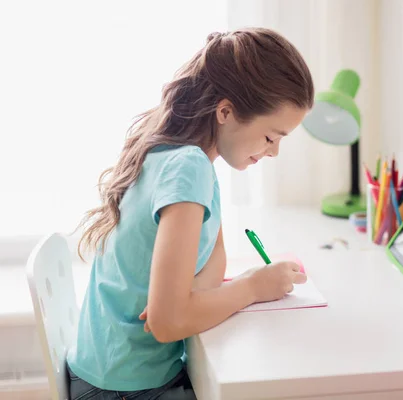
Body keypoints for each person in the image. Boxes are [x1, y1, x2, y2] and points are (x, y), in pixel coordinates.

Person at [66, 27, 314, 399]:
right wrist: (252, 287)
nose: (273, 152)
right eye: (270, 137)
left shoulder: (177, 154)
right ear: (226, 111)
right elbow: (168, 323)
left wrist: (183, 302)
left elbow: (206, 275)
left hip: (111, 374)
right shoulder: (189, 168)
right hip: (126, 389)